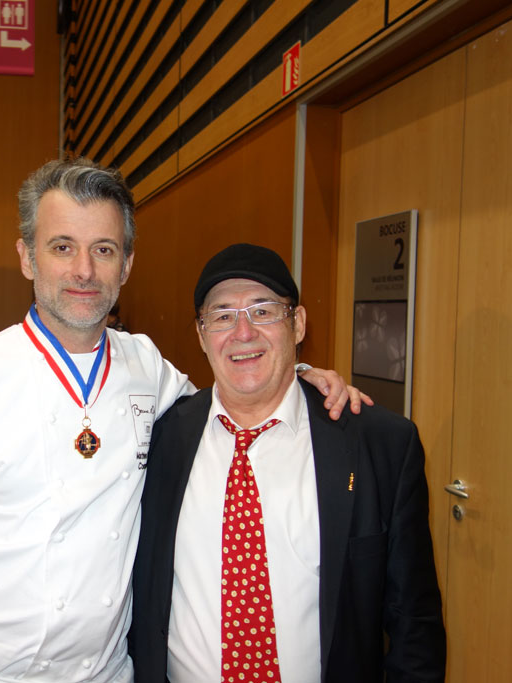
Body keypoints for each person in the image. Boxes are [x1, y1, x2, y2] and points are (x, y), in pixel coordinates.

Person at [0, 159, 367, 683]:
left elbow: (228, 400)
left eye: (103, 250)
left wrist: (298, 378)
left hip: (106, 672)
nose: (84, 270)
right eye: (62, 247)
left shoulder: (145, 365)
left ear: (125, 266)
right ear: (27, 257)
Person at [129, 243, 445, 682]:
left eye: (263, 311)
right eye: (222, 316)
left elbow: (414, 624)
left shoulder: (379, 444)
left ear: (296, 324)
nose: (243, 333)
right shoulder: (160, 439)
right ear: (201, 336)